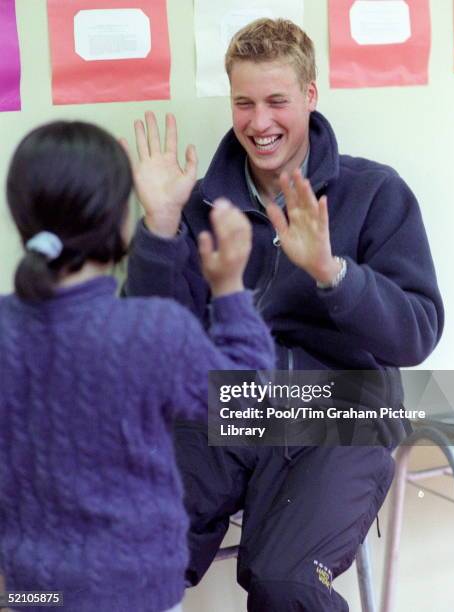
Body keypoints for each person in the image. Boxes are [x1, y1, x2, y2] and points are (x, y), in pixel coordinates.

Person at [124, 19, 444, 611]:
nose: (259, 121)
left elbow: (417, 333)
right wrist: (161, 229)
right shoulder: (198, 205)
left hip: (345, 411)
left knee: (286, 583)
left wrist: (333, 274)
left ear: (311, 95)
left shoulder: (374, 193)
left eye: (277, 101)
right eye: (244, 102)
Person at [0, 120, 275, 612]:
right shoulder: (152, 330)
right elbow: (246, 402)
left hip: (31, 590)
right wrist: (230, 289)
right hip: (139, 590)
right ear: (120, 221)